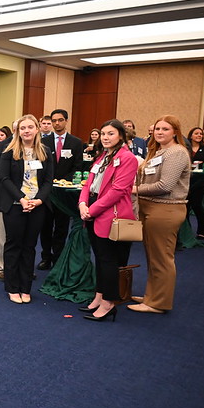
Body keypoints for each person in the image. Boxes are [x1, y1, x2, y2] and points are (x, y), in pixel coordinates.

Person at [77, 120, 138, 322]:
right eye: (103, 133)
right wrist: (82, 204)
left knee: (109, 261)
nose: (105, 137)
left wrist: (91, 210)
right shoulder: (103, 156)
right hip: (94, 212)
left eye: (110, 134)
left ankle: (109, 303)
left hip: (111, 215)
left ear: (120, 135)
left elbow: (118, 191)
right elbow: (88, 183)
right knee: (101, 259)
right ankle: (99, 296)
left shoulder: (127, 158)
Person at [129, 115, 191, 314]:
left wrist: (134, 190)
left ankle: (158, 303)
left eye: (165, 129)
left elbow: (165, 185)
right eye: (157, 129)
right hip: (151, 208)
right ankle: (151, 295)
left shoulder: (176, 153)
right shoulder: (158, 151)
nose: (160, 132)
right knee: (153, 255)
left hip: (166, 209)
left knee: (162, 258)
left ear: (175, 132)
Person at [0, 114, 54, 304]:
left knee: (29, 247)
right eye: (23, 128)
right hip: (14, 205)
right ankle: (12, 287)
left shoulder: (45, 151)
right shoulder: (8, 150)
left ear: (37, 129)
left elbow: (47, 181)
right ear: (18, 131)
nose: (26, 131)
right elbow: (4, 178)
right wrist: (21, 199)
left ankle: (25, 287)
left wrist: (38, 200)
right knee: (14, 245)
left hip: (37, 206)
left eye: (30, 127)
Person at [39, 109, 83, 270]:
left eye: (60, 120)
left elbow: (78, 167)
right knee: (45, 226)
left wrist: (64, 180)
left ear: (66, 121)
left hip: (65, 193)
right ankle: (45, 256)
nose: (57, 123)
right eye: (54, 121)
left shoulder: (76, 142)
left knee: (61, 227)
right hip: (47, 192)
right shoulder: (43, 142)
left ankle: (58, 257)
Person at [0, 120, 16, 280]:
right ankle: (1, 267)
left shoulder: (36, 147)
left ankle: (19, 266)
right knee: (1, 235)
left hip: (28, 200)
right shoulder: (2, 146)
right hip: (4, 196)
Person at [185, 126, 204, 239]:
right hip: (187, 180)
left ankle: (203, 231)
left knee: (197, 205)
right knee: (185, 206)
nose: (199, 135)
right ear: (191, 135)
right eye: (196, 133)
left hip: (200, 181)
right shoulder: (186, 147)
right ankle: (185, 233)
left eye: (201, 134)